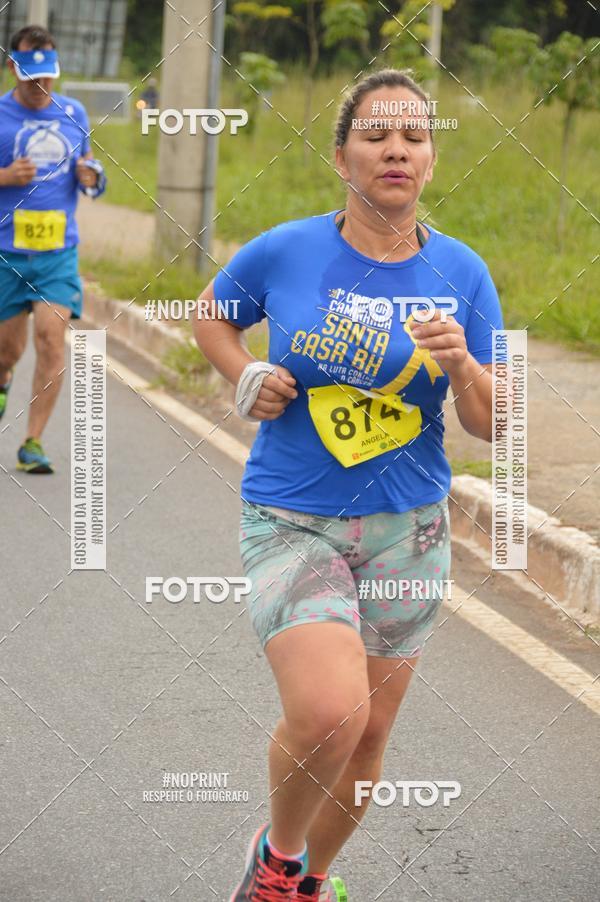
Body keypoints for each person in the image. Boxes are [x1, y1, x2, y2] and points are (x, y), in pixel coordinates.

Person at [194, 68, 503, 901]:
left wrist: (464, 362)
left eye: (413, 135)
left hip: (412, 530)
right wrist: (246, 372)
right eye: (376, 134)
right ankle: (278, 857)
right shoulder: (288, 249)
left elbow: (492, 421)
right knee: (331, 711)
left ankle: (311, 883)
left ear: (431, 159)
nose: (395, 149)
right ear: (342, 156)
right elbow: (212, 313)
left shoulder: (465, 274)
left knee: (368, 736)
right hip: (294, 519)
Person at [0, 24, 106, 473]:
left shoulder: (73, 112)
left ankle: (33, 443)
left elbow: (90, 170)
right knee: (7, 353)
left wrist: (93, 177)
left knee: (51, 341)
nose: (42, 87)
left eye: (48, 77)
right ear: (13, 68)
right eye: (31, 78)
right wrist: (5, 177)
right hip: (5, 253)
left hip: (57, 254)